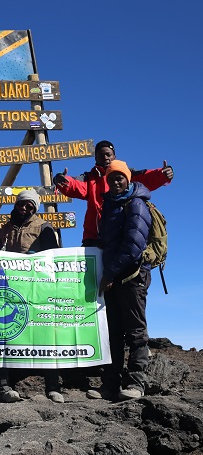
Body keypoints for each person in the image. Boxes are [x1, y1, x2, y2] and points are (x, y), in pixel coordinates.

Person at [86, 160, 152, 401]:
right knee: (112, 331)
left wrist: (110, 274)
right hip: (112, 277)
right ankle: (110, 385)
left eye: (119, 177)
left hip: (132, 276)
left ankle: (136, 384)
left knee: (135, 332)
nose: (115, 181)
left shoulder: (135, 204)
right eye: (112, 177)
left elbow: (133, 246)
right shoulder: (109, 204)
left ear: (128, 179)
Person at [0, 189, 64, 403]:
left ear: (36, 207)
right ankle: (3, 386)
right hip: (9, 288)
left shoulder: (44, 227)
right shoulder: (5, 228)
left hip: (37, 288)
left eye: (30, 205)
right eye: (22, 203)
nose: (25, 208)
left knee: (46, 335)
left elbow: (54, 256)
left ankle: (53, 387)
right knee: (4, 333)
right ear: (16, 204)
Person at [53, 140, 173, 246]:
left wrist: (162, 175)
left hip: (120, 235)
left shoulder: (126, 174)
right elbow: (74, 184)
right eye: (101, 155)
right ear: (96, 158)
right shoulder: (89, 178)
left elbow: (146, 178)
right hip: (93, 238)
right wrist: (61, 180)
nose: (105, 157)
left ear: (114, 156)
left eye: (108, 154)